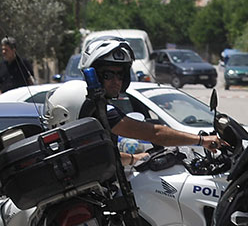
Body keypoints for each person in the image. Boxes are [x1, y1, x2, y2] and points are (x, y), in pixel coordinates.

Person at [44, 37, 224, 167]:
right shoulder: (100, 110)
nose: (116, 80)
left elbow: (104, 157)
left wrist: (135, 158)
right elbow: (156, 133)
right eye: (108, 75)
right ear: (95, 75)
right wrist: (201, 140)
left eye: (120, 74)